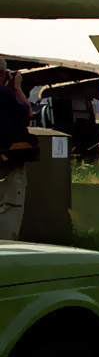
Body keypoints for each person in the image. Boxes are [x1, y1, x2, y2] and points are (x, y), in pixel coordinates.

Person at [0, 59, 34, 240]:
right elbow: (28, 111)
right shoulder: (5, 94)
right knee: (10, 206)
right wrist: (17, 88)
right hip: (8, 162)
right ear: (4, 74)